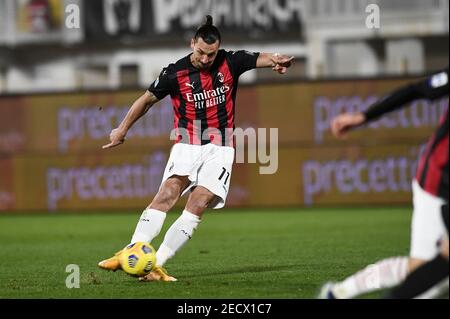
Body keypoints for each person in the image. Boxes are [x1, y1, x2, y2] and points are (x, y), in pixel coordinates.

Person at [98, 15, 294, 282]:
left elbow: (263, 56)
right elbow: (145, 101)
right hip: (187, 143)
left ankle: (156, 265)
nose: (205, 59)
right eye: (201, 52)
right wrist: (122, 129)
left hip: (221, 146)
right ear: (192, 44)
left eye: (211, 54)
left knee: (200, 202)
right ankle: (130, 251)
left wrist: (278, 61)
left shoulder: (231, 61)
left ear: (218, 49)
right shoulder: (174, 73)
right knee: (168, 193)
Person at [319, 67, 449, 298]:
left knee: (424, 268)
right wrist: (364, 116)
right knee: (432, 275)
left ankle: (339, 293)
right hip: (437, 181)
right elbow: (416, 90)